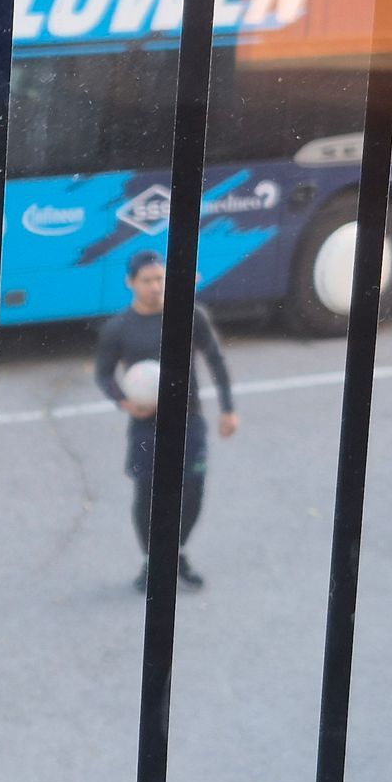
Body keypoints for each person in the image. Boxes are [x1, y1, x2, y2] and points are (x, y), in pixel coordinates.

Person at [93, 250, 239, 591]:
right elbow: (103, 375)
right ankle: (152, 560)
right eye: (147, 280)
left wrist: (228, 409)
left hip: (189, 419)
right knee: (147, 495)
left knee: (193, 491)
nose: (156, 286)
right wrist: (124, 402)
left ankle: (175, 552)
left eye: (160, 279)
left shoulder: (191, 316)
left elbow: (216, 360)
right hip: (146, 424)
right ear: (131, 283)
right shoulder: (118, 328)